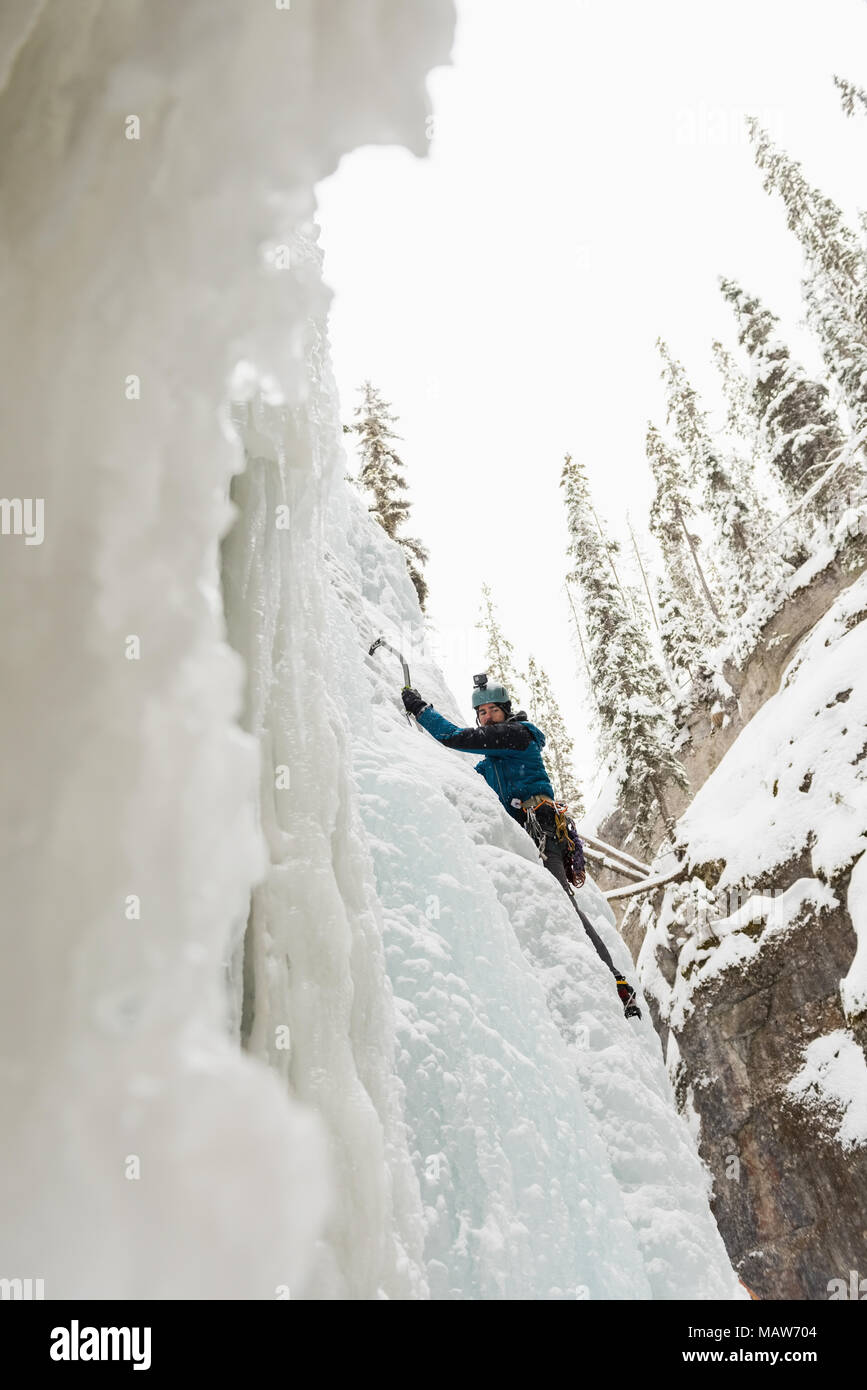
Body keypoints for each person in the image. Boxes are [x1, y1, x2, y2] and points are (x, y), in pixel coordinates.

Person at [400, 678, 641, 1020]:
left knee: (563, 904)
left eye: (492, 710)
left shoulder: (518, 735)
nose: (486, 717)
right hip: (525, 834)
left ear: (506, 712)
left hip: (541, 828)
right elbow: (463, 777)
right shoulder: (490, 764)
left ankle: (615, 981)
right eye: (481, 712)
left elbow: (456, 738)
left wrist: (422, 711)